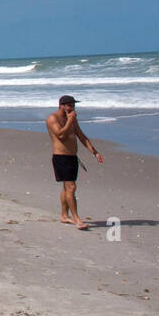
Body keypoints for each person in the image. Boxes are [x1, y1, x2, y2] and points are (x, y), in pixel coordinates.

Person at [45, 94, 104, 230]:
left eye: (74, 105)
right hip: (61, 157)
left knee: (67, 187)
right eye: (70, 105)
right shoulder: (53, 118)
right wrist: (70, 120)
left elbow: (81, 136)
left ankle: (64, 215)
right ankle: (77, 219)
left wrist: (95, 152)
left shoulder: (70, 119)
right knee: (71, 188)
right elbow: (60, 135)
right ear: (62, 105)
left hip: (72, 157)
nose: (72, 108)